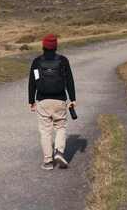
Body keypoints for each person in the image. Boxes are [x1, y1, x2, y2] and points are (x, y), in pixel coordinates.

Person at [28, 34, 76, 170]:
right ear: (55, 46)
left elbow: (33, 82)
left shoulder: (37, 62)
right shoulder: (63, 61)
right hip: (59, 100)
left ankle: (48, 161)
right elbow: (69, 81)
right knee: (60, 127)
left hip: (42, 100)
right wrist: (72, 99)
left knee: (45, 131)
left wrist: (31, 100)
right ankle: (59, 152)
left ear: (43, 46)